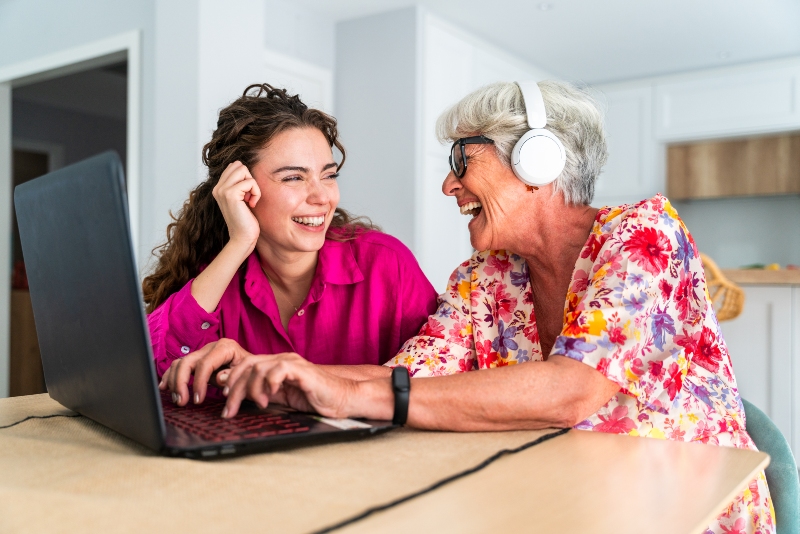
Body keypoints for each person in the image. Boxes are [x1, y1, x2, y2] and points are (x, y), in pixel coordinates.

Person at [201, 81, 775, 533]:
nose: (449, 187)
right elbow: (405, 378)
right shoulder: (487, 277)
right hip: (565, 503)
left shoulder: (640, 236)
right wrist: (282, 373)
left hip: (685, 510)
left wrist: (345, 390)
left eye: (461, 159)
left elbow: (573, 390)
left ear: (537, 161)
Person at [143, 83, 438, 406]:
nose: (323, 197)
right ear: (242, 189)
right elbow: (156, 373)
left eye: (328, 175)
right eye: (294, 178)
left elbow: (441, 375)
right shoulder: (216, 279)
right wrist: (240, 242)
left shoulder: (387, 265)